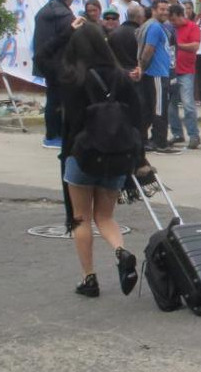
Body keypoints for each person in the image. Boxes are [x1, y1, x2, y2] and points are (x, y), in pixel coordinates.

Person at [60, 22, 143, 298]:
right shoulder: (121, 77)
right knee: (105, 216)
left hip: (83, 155)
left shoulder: (75, 77)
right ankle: (121, 250)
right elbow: (138, 115)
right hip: (118, 154)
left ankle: (89, 279)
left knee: (81, 218)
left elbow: (71, 121)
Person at [33, 0, 77, 149]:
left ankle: (52, 134)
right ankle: (53, 135)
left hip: (45, 61)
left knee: (52, 97)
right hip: (58, 63)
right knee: (57, 101)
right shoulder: (65, 16)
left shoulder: (45, 10)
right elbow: (66, 40)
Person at [136, 0, 182, 155]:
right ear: (154, 10)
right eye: (161, 9)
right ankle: (160, 142)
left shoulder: (157, 26)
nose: (165, 12)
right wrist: (141, 67)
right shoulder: (155, 26)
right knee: (159, 109)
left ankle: (150, 140)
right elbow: (149, 49)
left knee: (154, 108)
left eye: (166, 9)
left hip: (160, 73)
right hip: (156, 74)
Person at [167, 4, 201, 150]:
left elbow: (195, 46)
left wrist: (178, 45)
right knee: (171, 105)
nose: (173, 23)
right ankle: (177, 133)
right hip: (171, 71)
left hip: (186, 71)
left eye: (174, 19)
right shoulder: (169, 28)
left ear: (181, 15)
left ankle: (194, 135)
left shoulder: (192, 27)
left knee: (188, 104)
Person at [108, 2, 143, 74]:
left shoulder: (113, 33)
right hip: (136, 74)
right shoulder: (141, 34)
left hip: (118, 74)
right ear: (139, 17)